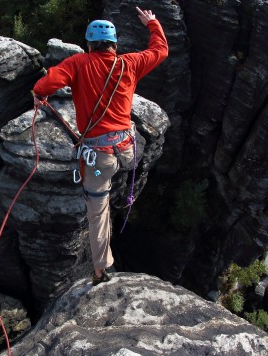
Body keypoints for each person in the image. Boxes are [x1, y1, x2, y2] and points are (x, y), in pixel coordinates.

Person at [32, 7, 168, 286]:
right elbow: (160, 50)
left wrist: (38, 94)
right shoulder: (129, 63)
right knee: (110, 182)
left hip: (100, 157)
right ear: (114, 44)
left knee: (97, 211)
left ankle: (100, 270)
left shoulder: (79, 63)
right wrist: (152, 23)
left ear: (90, 44)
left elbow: (47, 83)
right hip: (126, 150)